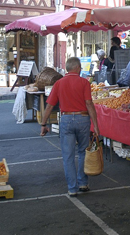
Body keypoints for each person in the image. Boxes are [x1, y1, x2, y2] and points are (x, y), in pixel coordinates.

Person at [40, 57, 100, 196]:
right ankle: (83, 183)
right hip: (83, 118)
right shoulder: (84, 82)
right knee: (83, 151)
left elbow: (49, 106)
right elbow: (89, 104)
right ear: (78, 68)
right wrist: (95, 124)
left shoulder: (59, 83)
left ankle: (72, 188)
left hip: (66, 119)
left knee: (68, 156)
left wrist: (43, 124)